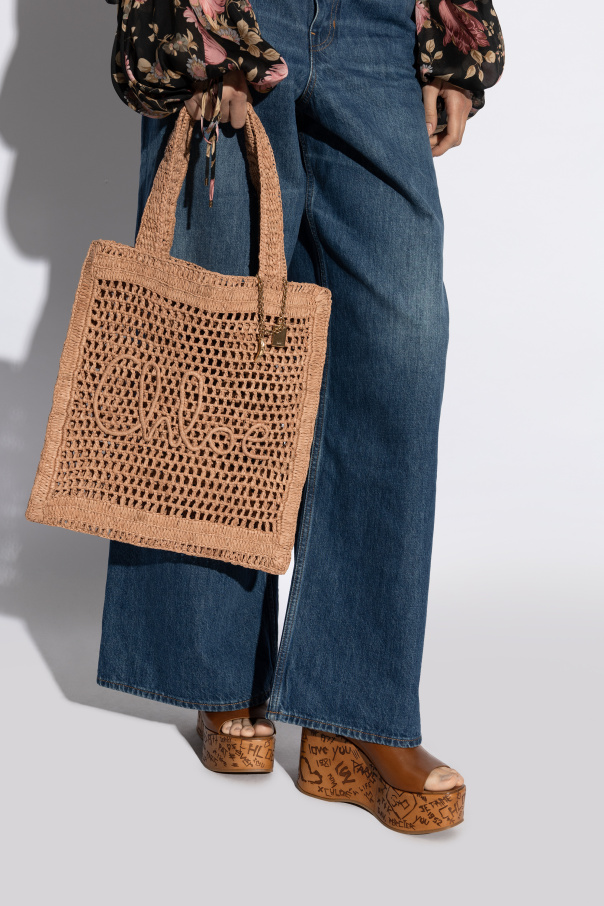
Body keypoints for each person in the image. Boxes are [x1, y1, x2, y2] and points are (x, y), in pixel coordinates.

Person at [100, 0, 504, 834]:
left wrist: (457, 30)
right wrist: (192, 24)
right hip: (237, 12)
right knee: (218, 347)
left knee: (400, 341)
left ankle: (354, 711)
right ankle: (216, 673)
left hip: (381, 28)